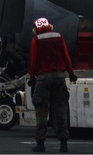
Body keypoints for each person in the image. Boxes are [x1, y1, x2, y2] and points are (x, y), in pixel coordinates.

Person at [27, 17, 76, 153]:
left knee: (42, 111)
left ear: (36, 29)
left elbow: (33, 60)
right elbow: (66, 57)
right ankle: (64, 143)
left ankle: (41, 144)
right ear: (49, 26)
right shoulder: (59, 37)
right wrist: (71, 73)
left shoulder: (36, 40)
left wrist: (31, 76)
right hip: (59, 77)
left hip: (43, 78)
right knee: (60, 110)